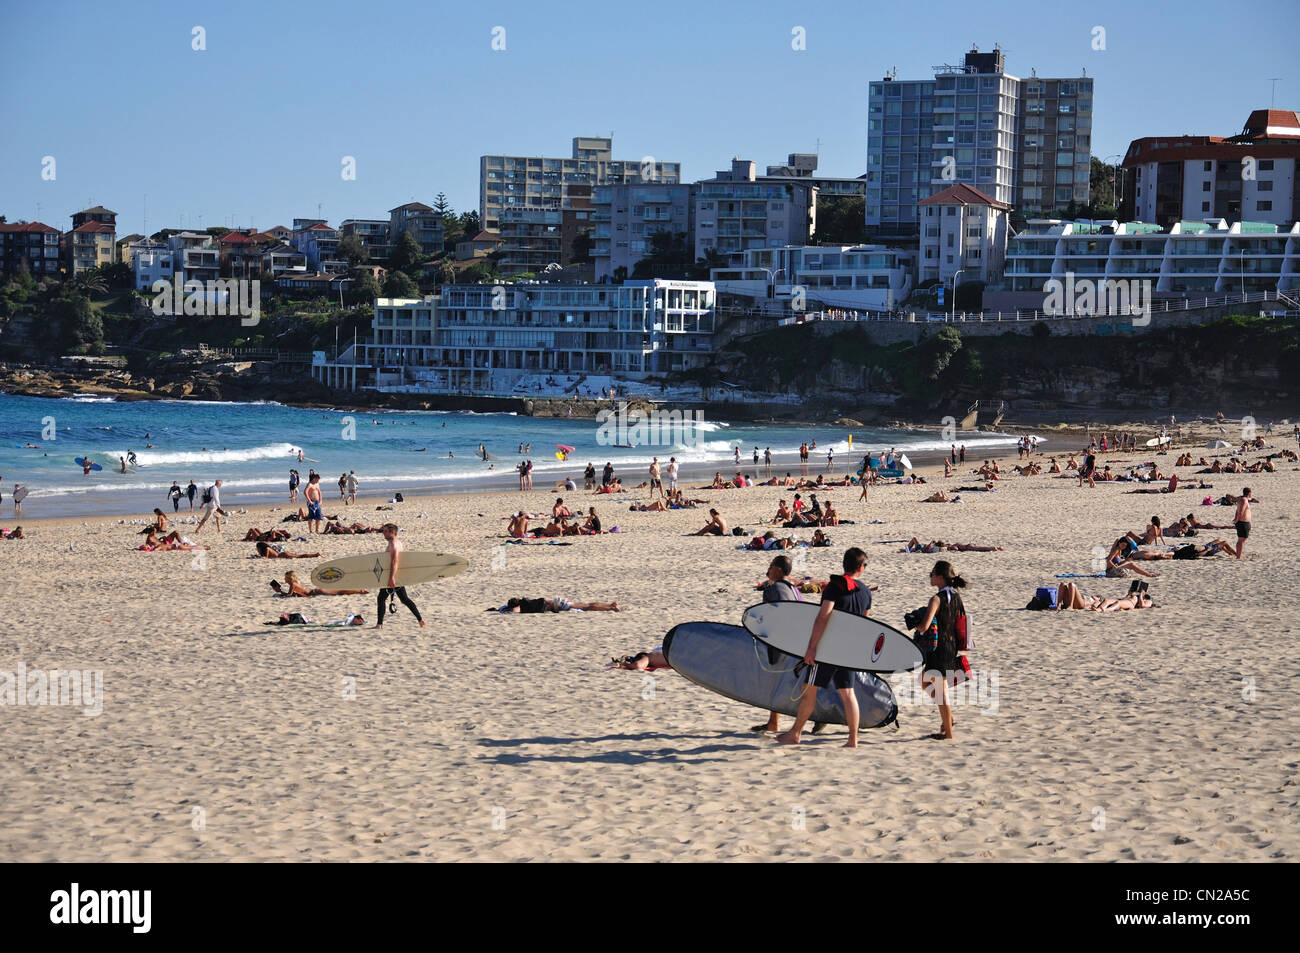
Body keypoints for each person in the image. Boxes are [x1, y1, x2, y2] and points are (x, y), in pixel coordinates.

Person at [775, 547, 871, 748]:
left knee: (809, 689)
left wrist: (811, 648)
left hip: (828, 650)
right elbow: (865, 624)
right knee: (848, 693)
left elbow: (823, 617)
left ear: (845, 564)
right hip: (849, 650)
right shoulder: (865, 591)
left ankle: (796, 733)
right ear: (861, 568)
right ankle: (853, 739)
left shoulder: (835, 586)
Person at [750, 555, 830, 736]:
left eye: (770, 566)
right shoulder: (793, 588)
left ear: (778, 570)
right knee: (785, 682)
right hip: (800, 641)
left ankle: (819, 713)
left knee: (783, 682)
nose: (767, 570)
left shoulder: (775, 588)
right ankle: (773, 722)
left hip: (784, 643)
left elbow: (776, 615)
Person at [910, 560, 967, 740]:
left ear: (940, 577)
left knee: (941, 692)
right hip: (951, 646)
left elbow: (925, 626)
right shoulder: (956, 596)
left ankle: (948, 734)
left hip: (938, 648)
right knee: (924, 681)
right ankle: (948, 718)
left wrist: (914, 622)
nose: (930, 576)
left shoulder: (936, 599)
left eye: (932, 573)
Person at [375, 523, 426, 629]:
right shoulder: (394, 542)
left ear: (392, 532)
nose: (383, 533)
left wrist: (391, 578)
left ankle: (379, 625)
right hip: (395, 575)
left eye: (385, 531)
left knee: (383, 598)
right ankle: (420, 620)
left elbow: (395, 562)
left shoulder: (393, 544)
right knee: (403, 599)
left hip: (394, 576)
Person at [271, 570, 367, 597]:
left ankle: (360, 591)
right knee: (339, 591)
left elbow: (289, 595)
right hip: (315, 591)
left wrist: (279, 591)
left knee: (339, 592)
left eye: (285, 577)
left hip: (316, 592)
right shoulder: (295, 582)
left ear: (288, 578)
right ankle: (360, 590)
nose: (284, 579)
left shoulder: (292, 584)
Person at [501, 596, 620, 612]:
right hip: (558, 601)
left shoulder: (521, 607)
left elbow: (514, 611)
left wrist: (503, 609)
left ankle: (610, 608)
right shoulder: (526, 601)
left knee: (587, 607)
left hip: (559, 605)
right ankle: (609, 605)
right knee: (586, 605)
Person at [1234, 487, 1252, 559]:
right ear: (1249, 493)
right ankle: (1238, 556)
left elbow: (1237, 510)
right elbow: (1241, 511)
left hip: (1243, 522)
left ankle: (1238, 555)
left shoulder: (1242, 499)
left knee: (1242, 539)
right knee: (1241, 540)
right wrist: (1237, 519)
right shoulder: (1244, 500)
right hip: (1242, 522)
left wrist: (1236, 518)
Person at [255, 540, 322, 558]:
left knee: (299, 556)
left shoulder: (267, 549)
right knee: (299, 556)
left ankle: (315, 554)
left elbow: (266, 558)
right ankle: (315, 554)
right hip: (283, 554)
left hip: (283, 555)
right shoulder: (267, 548)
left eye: (257, 548)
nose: (257, 550)